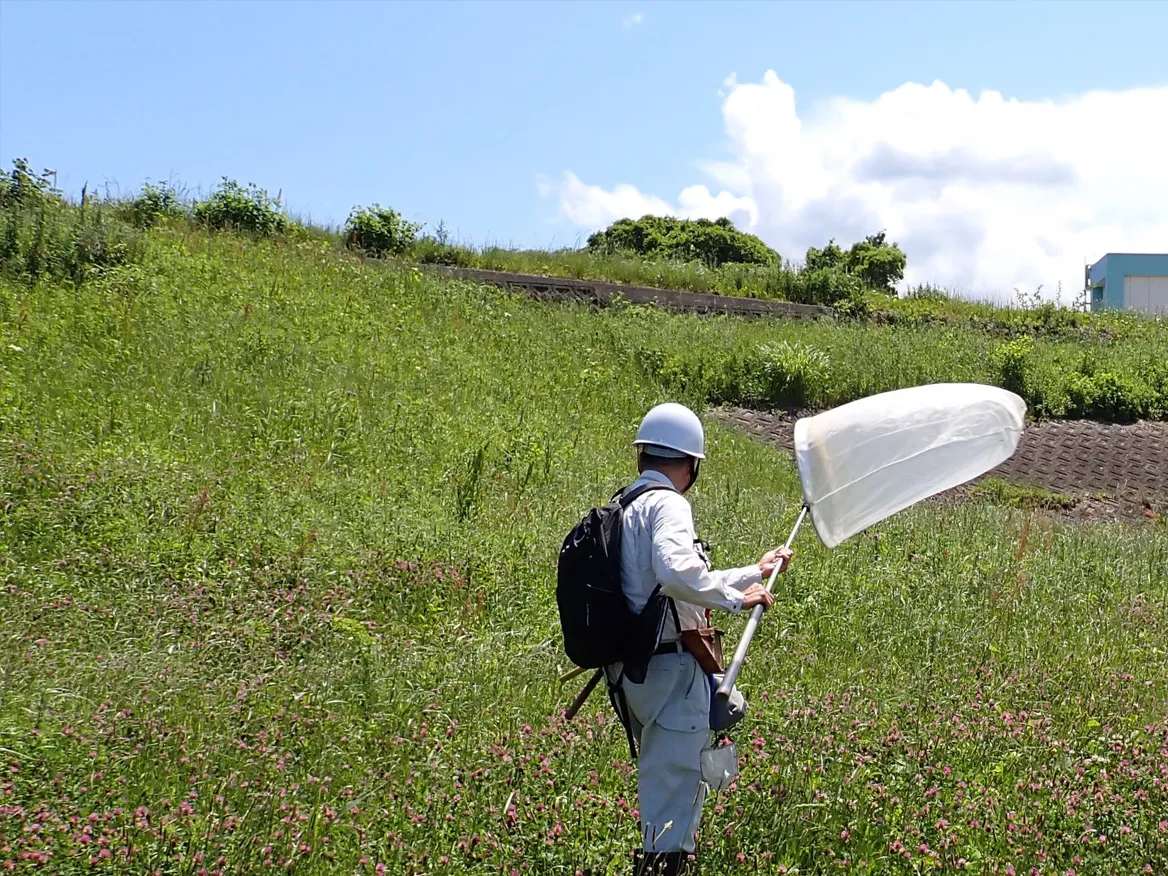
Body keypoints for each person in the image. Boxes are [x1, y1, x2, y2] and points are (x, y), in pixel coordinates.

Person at [606, 402, 793, 875]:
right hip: (671, 670)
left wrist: (756, 571)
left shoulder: (628, 504)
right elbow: (675, 572)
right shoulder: (669, 503)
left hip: (637, 671)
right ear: (690, 464)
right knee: (675, 800)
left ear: (641, 457)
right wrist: (739, 600)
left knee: (661, 786)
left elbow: (674, 580)